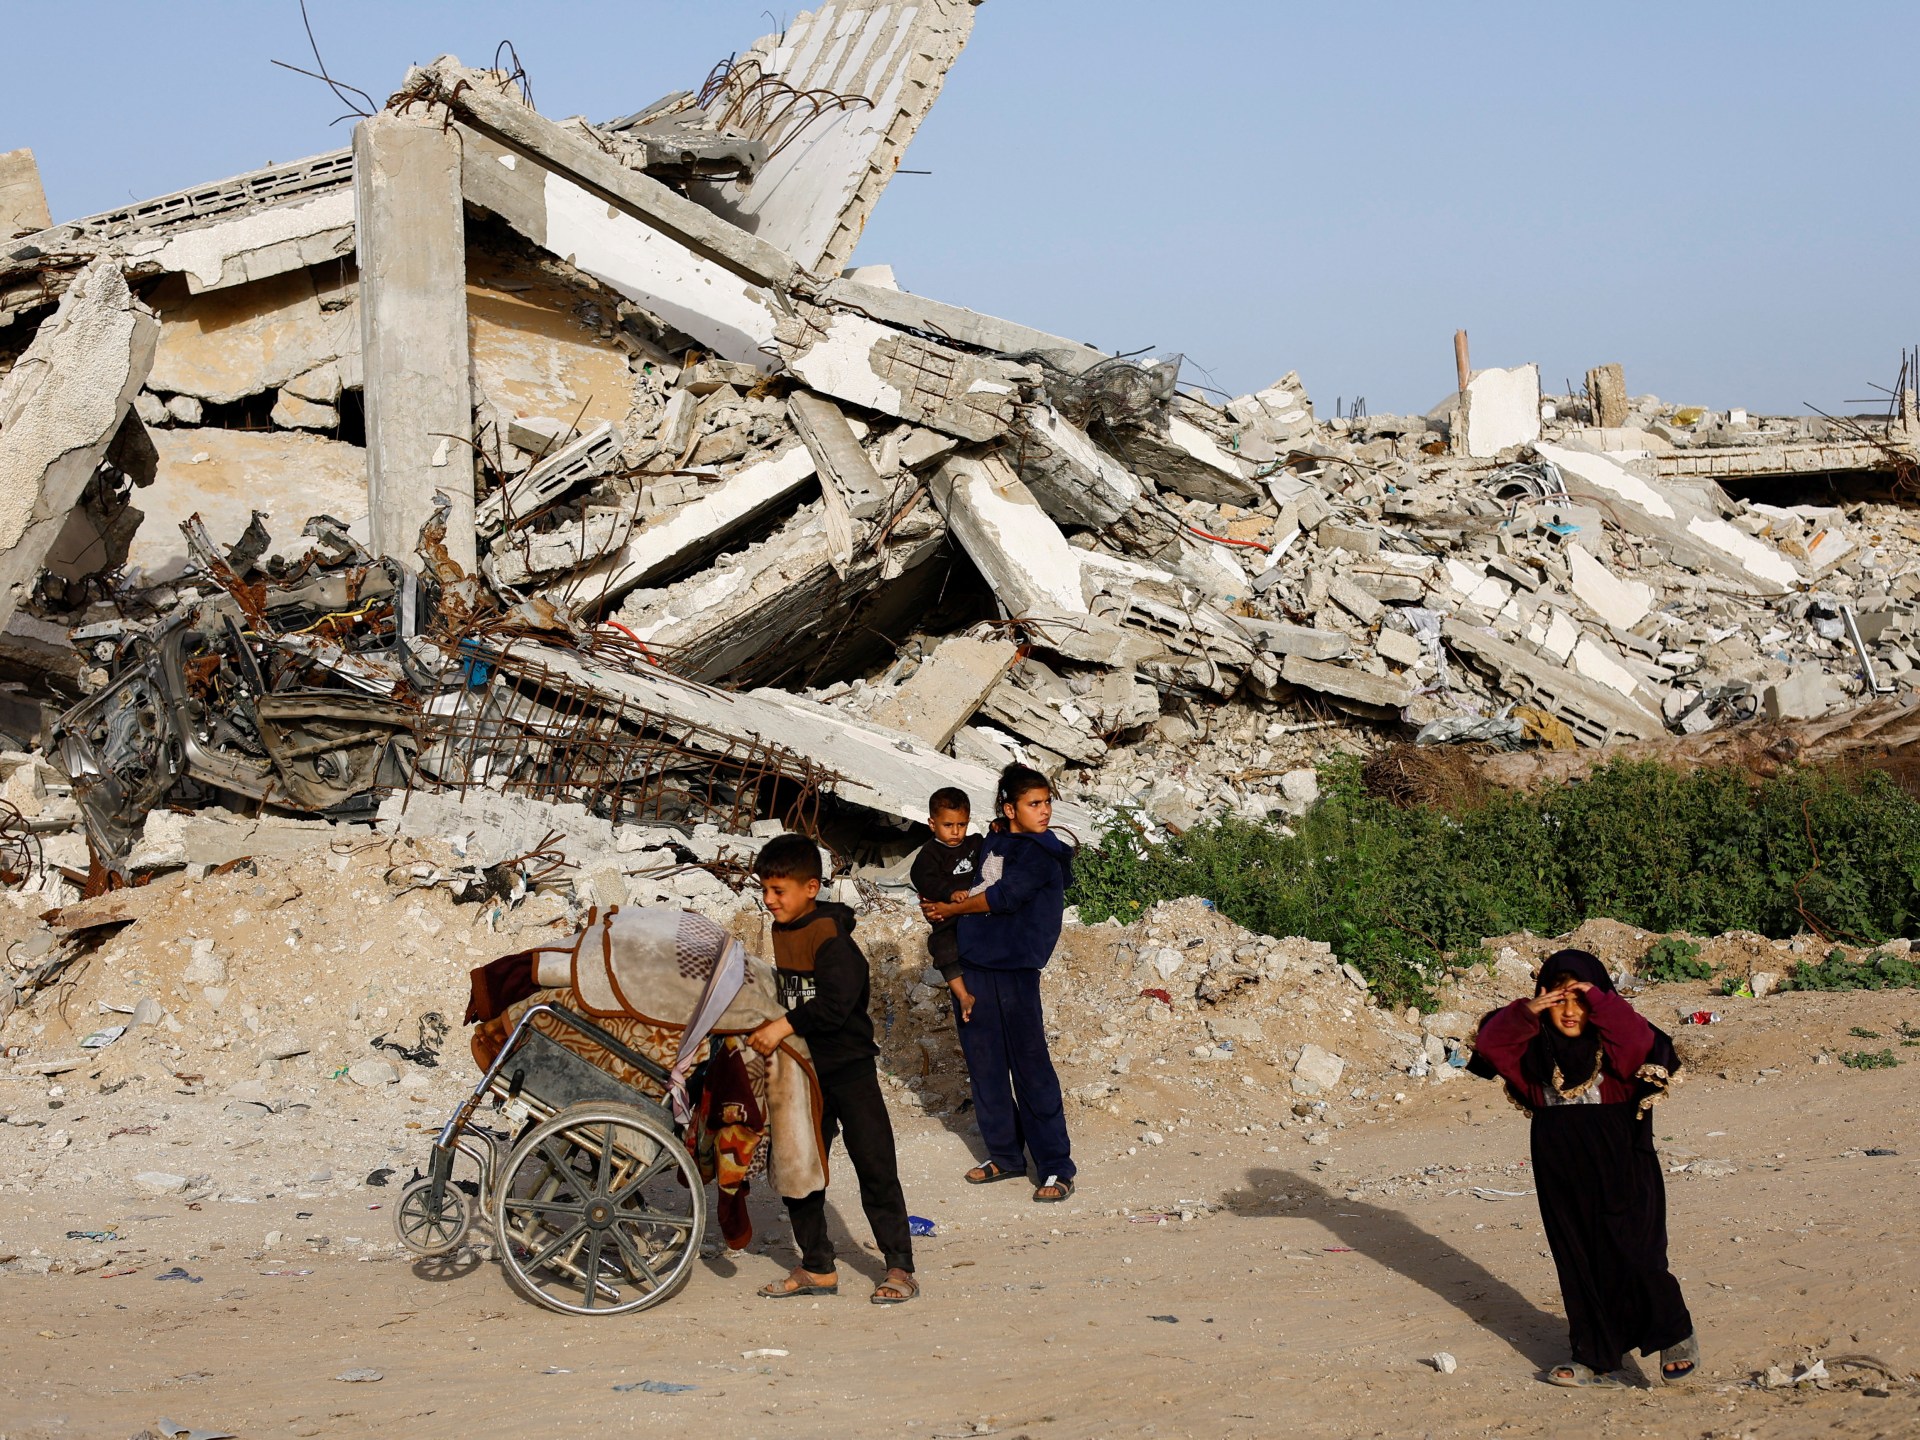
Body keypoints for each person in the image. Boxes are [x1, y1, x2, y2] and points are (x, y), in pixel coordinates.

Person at [1468, 948, 1698, 1388]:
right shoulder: (1533, 1050)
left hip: (1621, 1159)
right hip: (1558, 1163)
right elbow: (1491, 1046)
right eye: (1559, 1000)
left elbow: (1637, 1044)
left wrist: (1602, 1000)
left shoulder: (1614, 1045)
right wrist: (1528, 1010)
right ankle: (1594, 1357)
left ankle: (1674, 1334)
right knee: (1577, 1259)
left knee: (1636, 1252)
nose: (1570, 1011)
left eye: (1580, 1000)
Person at [747, 833, 918, 1305]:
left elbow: (836, 1005)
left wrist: (783, 1026)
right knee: (798, 1170)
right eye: (765, 890)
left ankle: (899, 1266)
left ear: (811, 888)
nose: (769, 900)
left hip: (849, 1071)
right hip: (804, 1074)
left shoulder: (831, 937)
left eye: (779, 891)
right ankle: (817, 1265)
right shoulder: (783, 930)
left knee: (875, 1168)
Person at [921, 763, 1077, 1204]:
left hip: (1015, 970)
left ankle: (1055, 1166)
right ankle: (1005, 1155)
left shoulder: (1041, 853)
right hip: (974, 965)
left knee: (1030, 1067)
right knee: (984, 1065)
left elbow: (1003, 896)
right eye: (1034, 803)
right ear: (1010, 809)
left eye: (1046, 802)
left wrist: (951, 910)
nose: (1044, 811)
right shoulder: (995, 838)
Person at [910, 786, 984, 1024]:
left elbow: (992, 848)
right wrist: (949, 893)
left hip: (974, 912)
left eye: (961, 825)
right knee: (943, 948)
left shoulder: (974, 844)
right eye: (948, 825)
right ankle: (963, 995)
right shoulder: (929, 855)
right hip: (946, 917)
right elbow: (923, 879)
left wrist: (998, 827)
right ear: (932, 824)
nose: (955, 831)